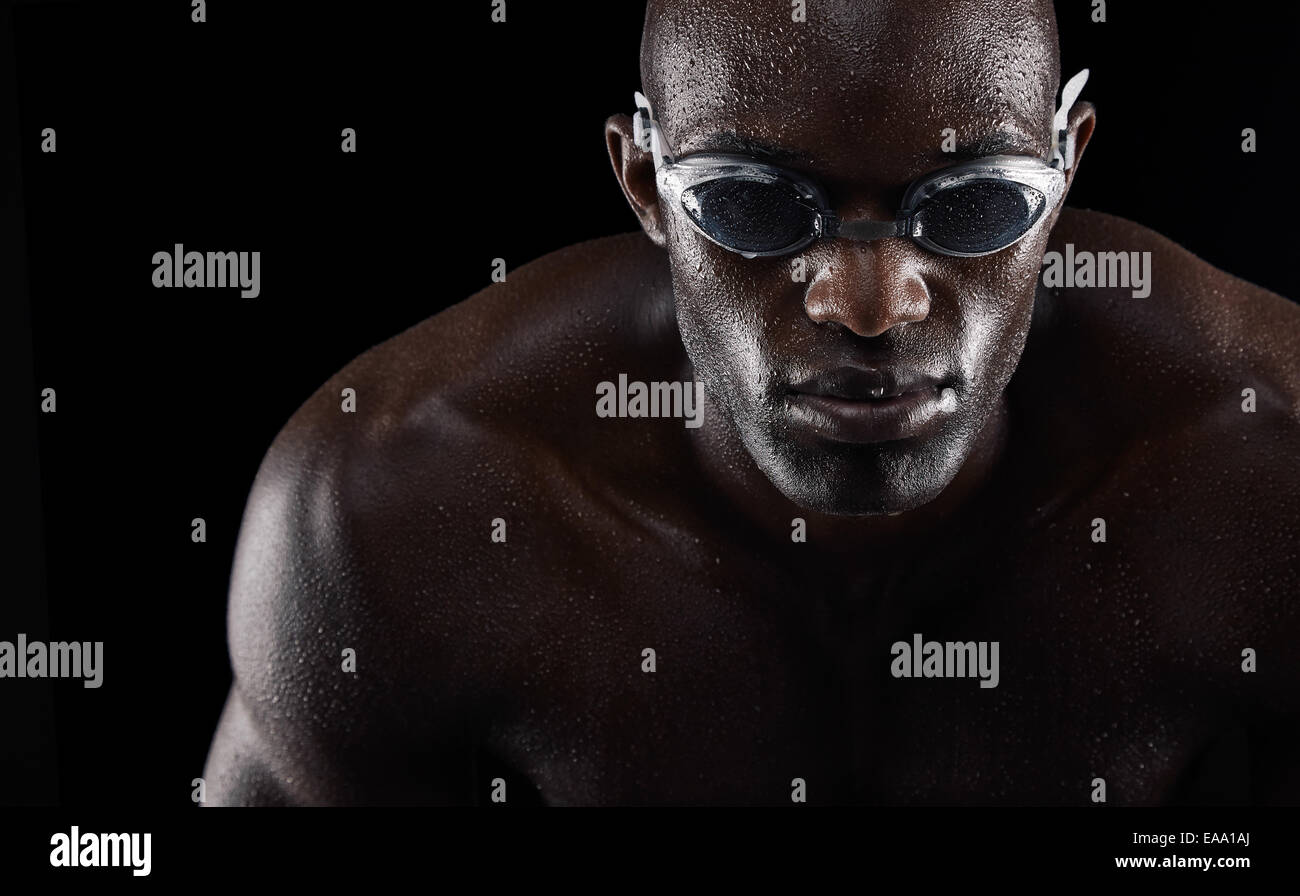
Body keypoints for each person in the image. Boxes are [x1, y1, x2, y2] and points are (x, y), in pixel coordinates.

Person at [203, 0, 1300, 805]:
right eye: (752, 204)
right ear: (643, 182)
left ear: (1067, 170)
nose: (867, 303)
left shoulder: (1262, 457)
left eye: (973, 207)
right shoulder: (389, 499)